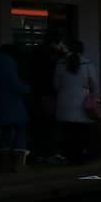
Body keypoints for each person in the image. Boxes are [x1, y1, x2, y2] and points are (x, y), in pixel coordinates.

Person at [53, 40, 99, 165]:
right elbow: (94, 83)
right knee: (82, 132)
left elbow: (56, 84)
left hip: (64, 101)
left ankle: (70, 156)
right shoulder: (87, 63)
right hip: (83, 101)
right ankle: (81, 156)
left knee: (68, 132)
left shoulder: (60, 63)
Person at [0, 44, 32, 171]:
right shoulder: (8, 62)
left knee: (5, 132)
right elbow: (14, 83)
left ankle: (4, 163)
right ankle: (19, 164)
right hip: (12, 102)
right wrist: (28, 89)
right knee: (21, 129)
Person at [30, 33, 67, 163]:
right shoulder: (54, 57)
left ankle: (39, 154)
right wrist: (64, 54)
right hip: (50, 95)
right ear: (55, 43)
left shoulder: (36, 53)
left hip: (38, 94)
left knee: (41, 125)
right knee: (51, 124)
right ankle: (51, 153)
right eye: (62, 43)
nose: (63, 46)